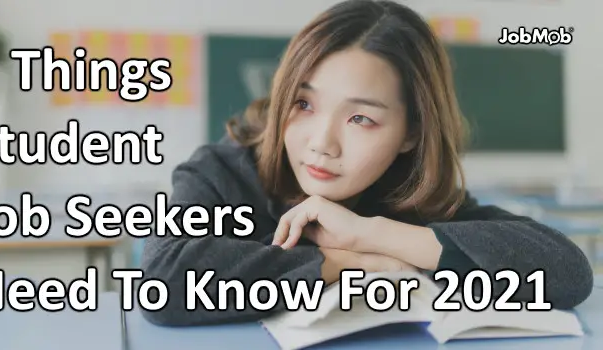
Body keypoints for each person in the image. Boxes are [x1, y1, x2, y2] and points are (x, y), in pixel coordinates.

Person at [140, 0, 593, 326]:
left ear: (411, 132)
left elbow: (567, 274)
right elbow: (163, 282)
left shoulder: (407, 193)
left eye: (360, 118)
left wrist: (374, 234)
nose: (322, 144)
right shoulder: (223, 171)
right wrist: (347, 263)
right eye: (304, 104)